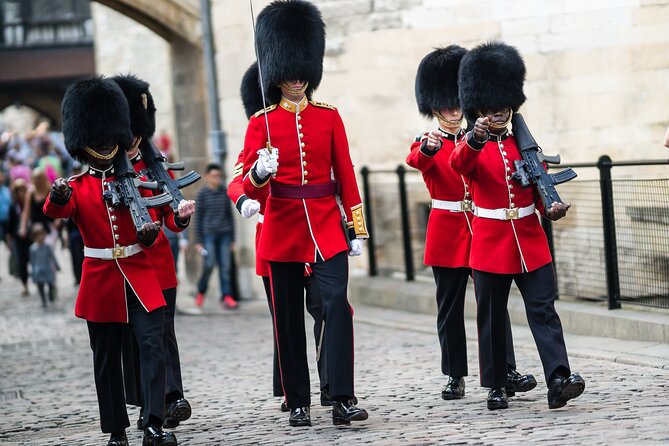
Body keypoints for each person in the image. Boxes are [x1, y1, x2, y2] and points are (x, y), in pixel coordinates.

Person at [241, 0, 369, 427]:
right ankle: (297, 400)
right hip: (282, 228)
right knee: (290, 321)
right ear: (277, 72)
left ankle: (341, 396)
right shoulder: (261, 122)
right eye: (289, 73)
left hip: (327, 229)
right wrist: (260, 172)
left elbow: (345, 172)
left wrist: (356, 226)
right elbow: (245, 179)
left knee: (336, 305)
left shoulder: (329, 117)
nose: (296, 81)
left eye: (302, 73)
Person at [450, 41, 585, 411]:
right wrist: (475, 138)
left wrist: (551, 208)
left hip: (530, 239)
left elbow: (536, 184)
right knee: (492, 317)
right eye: (491, 108)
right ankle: (497, 383)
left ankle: (558, 378)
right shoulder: (471, 144)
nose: (498, 112)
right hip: (491, 242)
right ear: (478, 108)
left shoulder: (522, 145)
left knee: (544, 310)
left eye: (504, 106)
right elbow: (458, 165)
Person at [44, 76, 176, 446]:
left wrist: (151, 234)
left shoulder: (136, 179)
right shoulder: (78, 185)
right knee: (106, 360)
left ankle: (153, 422)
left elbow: (159, 217)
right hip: (101, 281)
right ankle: (116, 430)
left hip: (139, 275)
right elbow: (58, 210)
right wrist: (56, 194)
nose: (104, 142)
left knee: (152, 346)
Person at [407, 45, 536, 401]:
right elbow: (417, 159)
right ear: (434, 109)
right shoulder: (429, 140)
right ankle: (454, 374)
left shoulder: (477, 139)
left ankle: (505, 369)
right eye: (445, 106)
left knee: (492, 306)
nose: (453, 111)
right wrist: (430, 148)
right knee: (449, 308)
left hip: (482, 229)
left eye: (457, 103)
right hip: (448, 231)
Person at [227, 61, 334, 411]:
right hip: (274, 238)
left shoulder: (312, 120)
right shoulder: (259, 131)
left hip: (313, 235)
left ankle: (331, 384)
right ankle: (292, 392)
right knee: (284, 322)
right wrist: (247, 194)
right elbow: (238, 180)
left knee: (325, 312)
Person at [111, 73, 195, 431]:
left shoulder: (155, 165)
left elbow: (170, 219)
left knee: (163, 333)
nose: (132, 138)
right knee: (141, 339)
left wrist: (181, 218)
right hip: (129, 268)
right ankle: (153, 399)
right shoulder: (110, 172)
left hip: (160, 266)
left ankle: (171, 395)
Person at [194, 163, 236, 309]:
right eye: (213, 176)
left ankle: (227, 296)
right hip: (209, 235)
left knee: (225, 266)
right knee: (209, 264)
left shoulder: (225, 192)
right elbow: (197, 218)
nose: (216, 178)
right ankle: (201, 291)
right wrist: (198, 241)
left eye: (218, 176)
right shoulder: (202, 194)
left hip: (225, 234)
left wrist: (232, 239)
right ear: (207, 177)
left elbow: (230, 216)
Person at [29, 223, 59, 307]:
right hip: (38, 270)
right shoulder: (32, 248)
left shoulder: (47, 246)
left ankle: (51, 294)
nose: (40, 237)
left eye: (42, 235)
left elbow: (52, 257)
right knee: (40, 286)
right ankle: (43, 300)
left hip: (47, 268)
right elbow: (32, 260)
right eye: (38, 236)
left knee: (50, 283)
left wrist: (56, 266)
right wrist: (32, 270)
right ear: (34, 237)